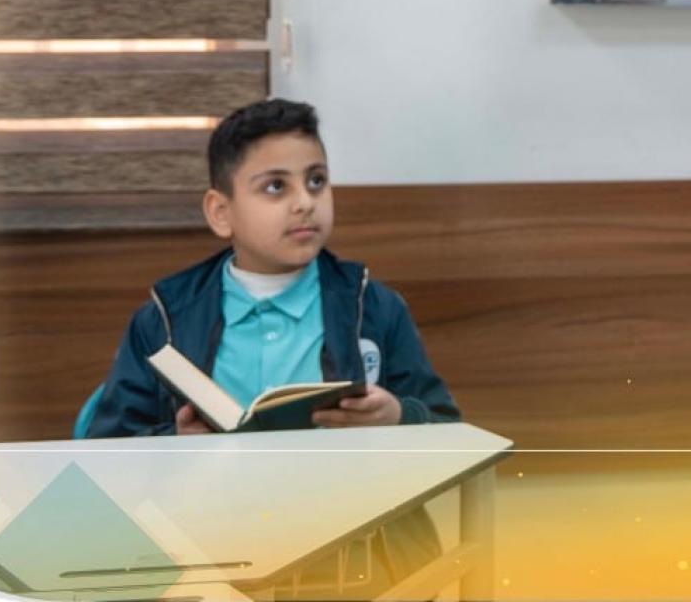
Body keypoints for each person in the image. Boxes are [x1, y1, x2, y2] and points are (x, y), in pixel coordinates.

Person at [85, 97, 459, 439]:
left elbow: (449, 430)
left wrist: (400, 417)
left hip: (341, 492)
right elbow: (107, 446)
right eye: (276, 186)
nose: (305, 202)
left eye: (316, 181)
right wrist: (176, 443)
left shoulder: (376, 308)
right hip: (213, 494)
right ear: (221, 213)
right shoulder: (162, 320)